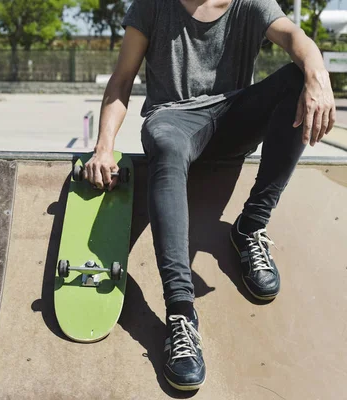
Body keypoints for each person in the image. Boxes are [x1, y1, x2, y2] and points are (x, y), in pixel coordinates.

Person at [83, 0, 336, 392]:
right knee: (165, 144)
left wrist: (317, 74)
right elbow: (121, 81)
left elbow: (294, 36)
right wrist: (103, 147)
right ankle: (181, 314)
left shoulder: (249, 3)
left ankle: (250, 226)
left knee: (294, 77)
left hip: (232, 119)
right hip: (173, 121)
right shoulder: (152, 6)